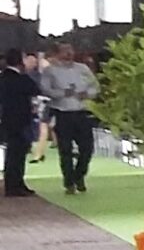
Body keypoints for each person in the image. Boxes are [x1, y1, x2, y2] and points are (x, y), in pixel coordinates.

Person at [38, 41, 98, 193]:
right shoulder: (50, 71)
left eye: (70, 50)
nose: (69, 53)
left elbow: (95, 86)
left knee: (87, 148)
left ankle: (79, 175)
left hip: (81, 112)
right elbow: (45, 89)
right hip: (62, 112)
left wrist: (88, 94)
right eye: (65, 50)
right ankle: (69, 182)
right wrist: (62, 93)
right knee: (65, 150)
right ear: (57, 54)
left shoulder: (82, 68)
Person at [0, 51, 37, 199]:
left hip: (8, 120)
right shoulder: (21, 79)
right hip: (20, 120)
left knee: (12, 153)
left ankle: (14, 184)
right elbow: (34, 89)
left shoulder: (3, 78)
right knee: (18, 154)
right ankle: (15, 185)